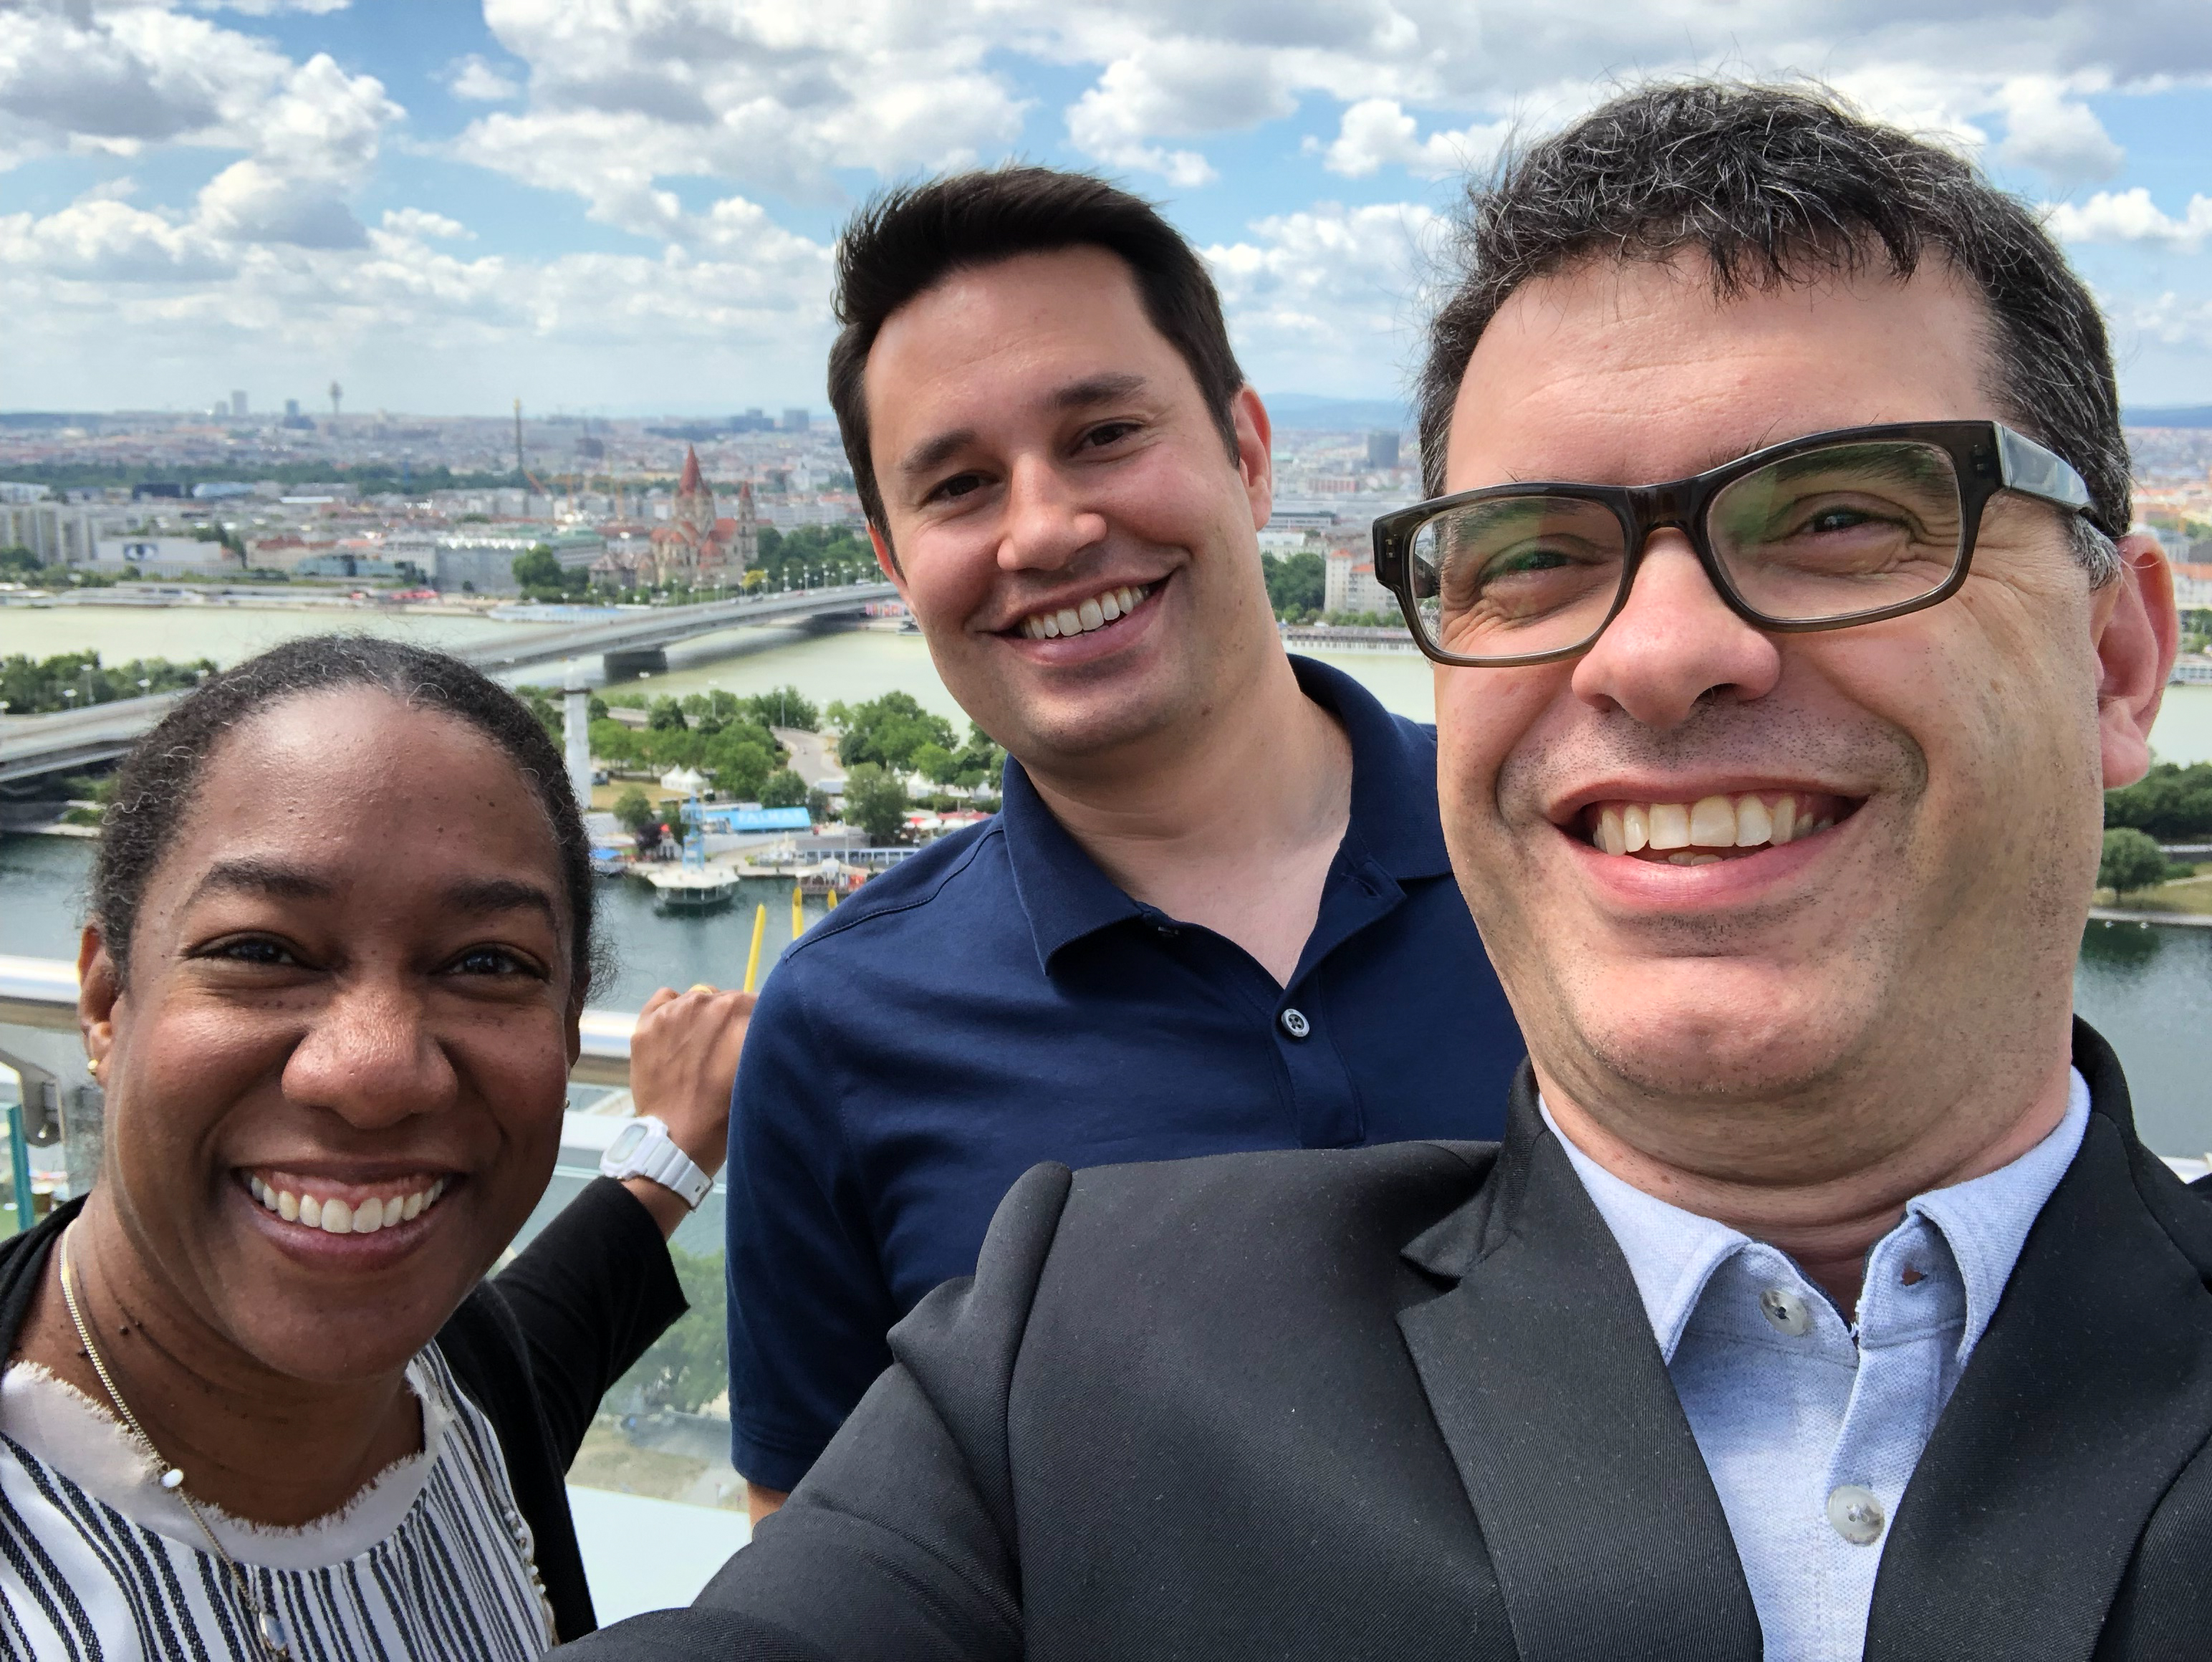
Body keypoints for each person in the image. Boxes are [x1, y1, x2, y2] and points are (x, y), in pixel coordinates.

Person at [563, 82, 2208, 1661]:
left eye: (1840, 515)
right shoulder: (1055, 1336)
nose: (1655, 652)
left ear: (2118, 657)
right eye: (1538, 552)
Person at [724, 167, 1523, 1513]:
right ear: (893, 560)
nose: (1043, 530)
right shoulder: (839, 1029)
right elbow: (812, 1540)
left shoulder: (1566, 855)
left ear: (1248, 453)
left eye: (1103, 434)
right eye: (960, 486)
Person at [0, 636, 754, 1658]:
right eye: (261, 950)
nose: (373, 1072)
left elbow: (549, 1328)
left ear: (569, 1026)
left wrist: (672, 1152)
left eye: (488, 964)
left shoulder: (463, 1391)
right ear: (105, 1001)